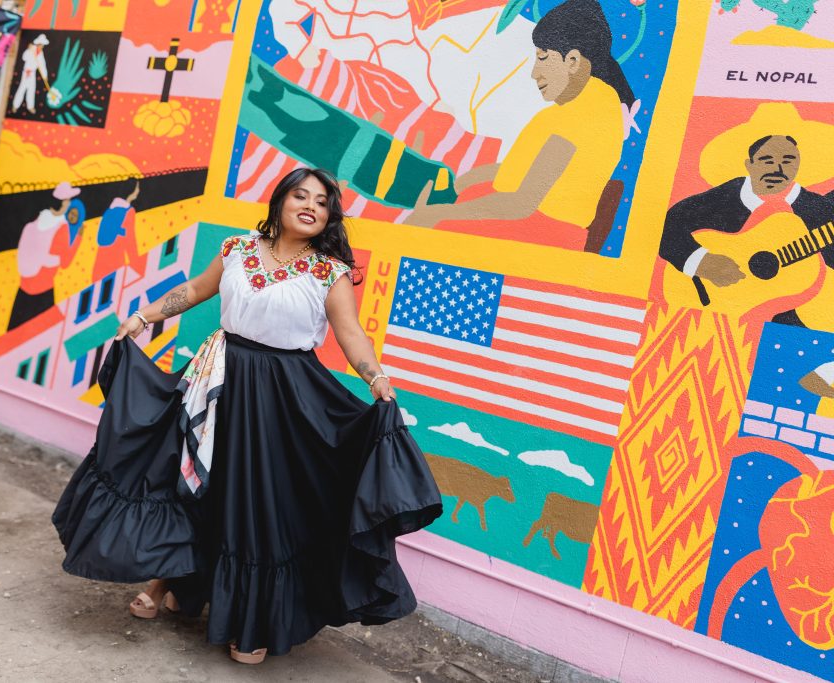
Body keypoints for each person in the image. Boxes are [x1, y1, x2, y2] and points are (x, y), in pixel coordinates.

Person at [52, 168, 443, 664]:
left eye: (321, 202)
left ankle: (253, 618)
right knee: (193, 480)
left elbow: (351, 337)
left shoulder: (329, 272)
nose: (310, 206)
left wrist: (374, 377)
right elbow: (194, 290)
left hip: (284, 395)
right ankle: (166, 580)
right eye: (300, 195)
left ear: (329, 217)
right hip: (217, 378)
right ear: (280, 201)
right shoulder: (237, 248)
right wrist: (144, 317)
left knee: (260, 502)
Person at [407, 0, 632, 251]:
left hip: (546, 235)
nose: (535, 73)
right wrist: (463, 182)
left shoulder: (585, 113)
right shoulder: (578, 107)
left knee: (420, 229)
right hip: (531, 224)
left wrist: (440, 214)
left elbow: (522, 204)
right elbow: (524, 171)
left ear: (573, 61)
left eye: (543, 58)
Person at [660, 102, 834, 326]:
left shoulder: (817, 209)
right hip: (707, 308)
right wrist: (701, 261)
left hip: (788, 316)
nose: (778, 170)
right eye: (767, 160)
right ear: (749, 165)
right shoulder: (728, 196)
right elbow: (669, 223)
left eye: (788, 161)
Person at [8, 181, 81, 330]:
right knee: (44, 336)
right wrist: (78, 238)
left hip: (24, 289)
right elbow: (65, 262)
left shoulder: (33, 224)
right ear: (63, 203)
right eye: (68, 201)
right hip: (43, 291)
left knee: (15, 332)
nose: (69, 204)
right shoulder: (62, 228)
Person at [12, 33, 49, 114]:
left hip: (32, 74)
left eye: (42, 45)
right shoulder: (31, 49)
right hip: (26, 73)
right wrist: (29, 51)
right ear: (38, 43)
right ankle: (15, 105)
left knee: (31, 90)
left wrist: (45, 75)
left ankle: (30, 106)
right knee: (22, 88)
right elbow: (24, 57)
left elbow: (42, 65)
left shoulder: (40, 54)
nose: (42, 46)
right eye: (41, 44)